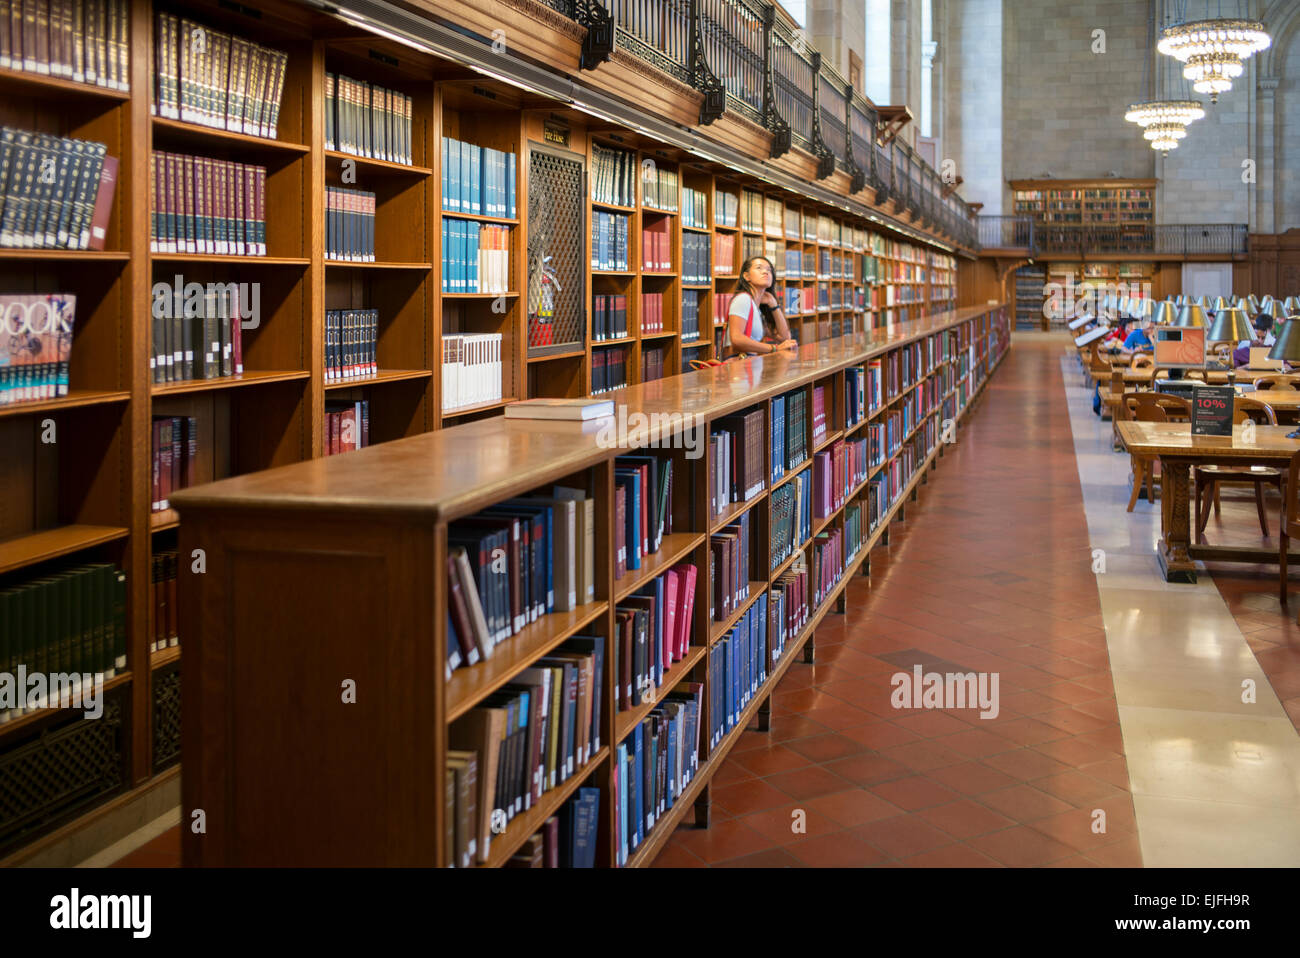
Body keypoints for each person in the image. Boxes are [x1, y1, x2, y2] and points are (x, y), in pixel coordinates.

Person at [726, 256, 798, 357]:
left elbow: (784, 337)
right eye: (759, 268)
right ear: (746, 276)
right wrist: (774, 348)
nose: (765, 272)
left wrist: (774, 305)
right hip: (739, 366)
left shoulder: (756, 307)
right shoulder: (743, 299)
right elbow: (736, 339)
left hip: (749, 366)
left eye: (769, 270)